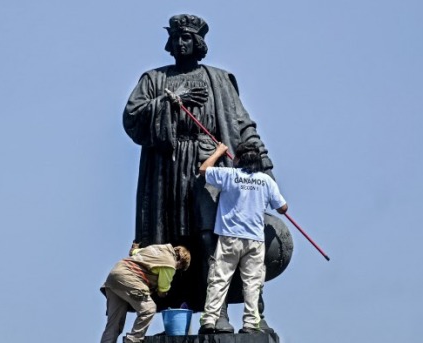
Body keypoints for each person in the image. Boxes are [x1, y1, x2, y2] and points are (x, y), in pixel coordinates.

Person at [123, 14, 277, 325]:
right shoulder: (153, 80)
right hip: (167, 170)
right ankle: (174, 308)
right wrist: (171, 102)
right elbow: (132, 117)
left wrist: (264, 168)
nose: (181, 43)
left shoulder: (219, 79)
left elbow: (242, 125)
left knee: (213, 238)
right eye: (177, 38)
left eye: (188, 38)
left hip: (210, 167)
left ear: (199, 43)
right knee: (169, 239)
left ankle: (217, 310)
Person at [198, 142, 288, 334]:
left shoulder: (229, 175)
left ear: (237, 159)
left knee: (219, 280)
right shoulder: (265, 181)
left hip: (229, 237)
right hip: (255, 240)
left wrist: (219, 151)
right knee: (252, 284)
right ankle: (250, 324)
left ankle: (209, 320)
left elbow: (204, 169)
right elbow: (282, 208)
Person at [100, 243, 191, 343]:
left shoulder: (156, 248)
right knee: (149, 309)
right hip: (129, 278)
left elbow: (133, 252)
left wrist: (135, 247)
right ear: (181, 262)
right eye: (180, 268)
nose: (177, 269)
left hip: (114, 276)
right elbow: (163, 289)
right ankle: (133, 340)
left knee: (114, 324)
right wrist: (162, 292)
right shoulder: (170, 264)